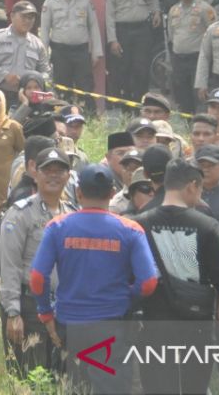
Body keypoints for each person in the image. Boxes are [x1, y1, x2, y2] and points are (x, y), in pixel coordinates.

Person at [29, 163, 159, 394]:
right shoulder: (130, 229)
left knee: (72, 386)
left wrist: (46, 314)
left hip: (69, 325)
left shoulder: (58, 226)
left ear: (78, 192)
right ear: (111, 193)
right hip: (112, 326)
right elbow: (148, 282)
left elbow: (38, 277)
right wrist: (127, 297)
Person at [135, 158, 219, 395]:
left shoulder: (138, 224)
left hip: (152, 323)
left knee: (157, 388)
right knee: (194, 388)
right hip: (196, 324)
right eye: (199, 190)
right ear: (192, 186)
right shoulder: (207, 225)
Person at [0, 147, 72, 378]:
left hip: (62, 309)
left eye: (59, 171)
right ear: (35, 174)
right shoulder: (20, 213)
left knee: (58, 378)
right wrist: (12, 313)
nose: (53, 176)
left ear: (68, 176)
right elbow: (9, 265)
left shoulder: (71, 213)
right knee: (27, 378)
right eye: (47, 170)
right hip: (28, 306)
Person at [41, 0, 104, 112]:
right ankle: (64, 117)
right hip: (60, 52)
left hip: (81, 51)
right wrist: (43, 56)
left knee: (86, 86)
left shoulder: (85, 1)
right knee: (63, 87)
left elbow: (93, 27)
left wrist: (96, 52)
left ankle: (89, 117)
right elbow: (44, 31)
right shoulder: (50, 3)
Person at [106, 0, 161, 104]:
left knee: (141, 68)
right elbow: (109, 14)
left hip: (142, 30)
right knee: (122, 68)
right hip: (122, 30)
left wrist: (156, 11)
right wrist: (112, 40)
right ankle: (125, 102)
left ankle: (140, 101)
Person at [0, 1, 51, 106]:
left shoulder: (37, 44)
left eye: (31, 18)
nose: (28, 21)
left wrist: (34, 82)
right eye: (24, 17)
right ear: (12, 16)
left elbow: (45, 71)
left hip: (24, 99)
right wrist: (5, 76)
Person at [167, 0, 217, 114]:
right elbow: (171, 34)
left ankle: (200, 122)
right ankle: (187, 124)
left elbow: (213, 32)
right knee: (181, 93)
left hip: (198, 58)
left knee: (199, 93)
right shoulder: (174, 9)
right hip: (178, 57)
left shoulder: (204, 8)